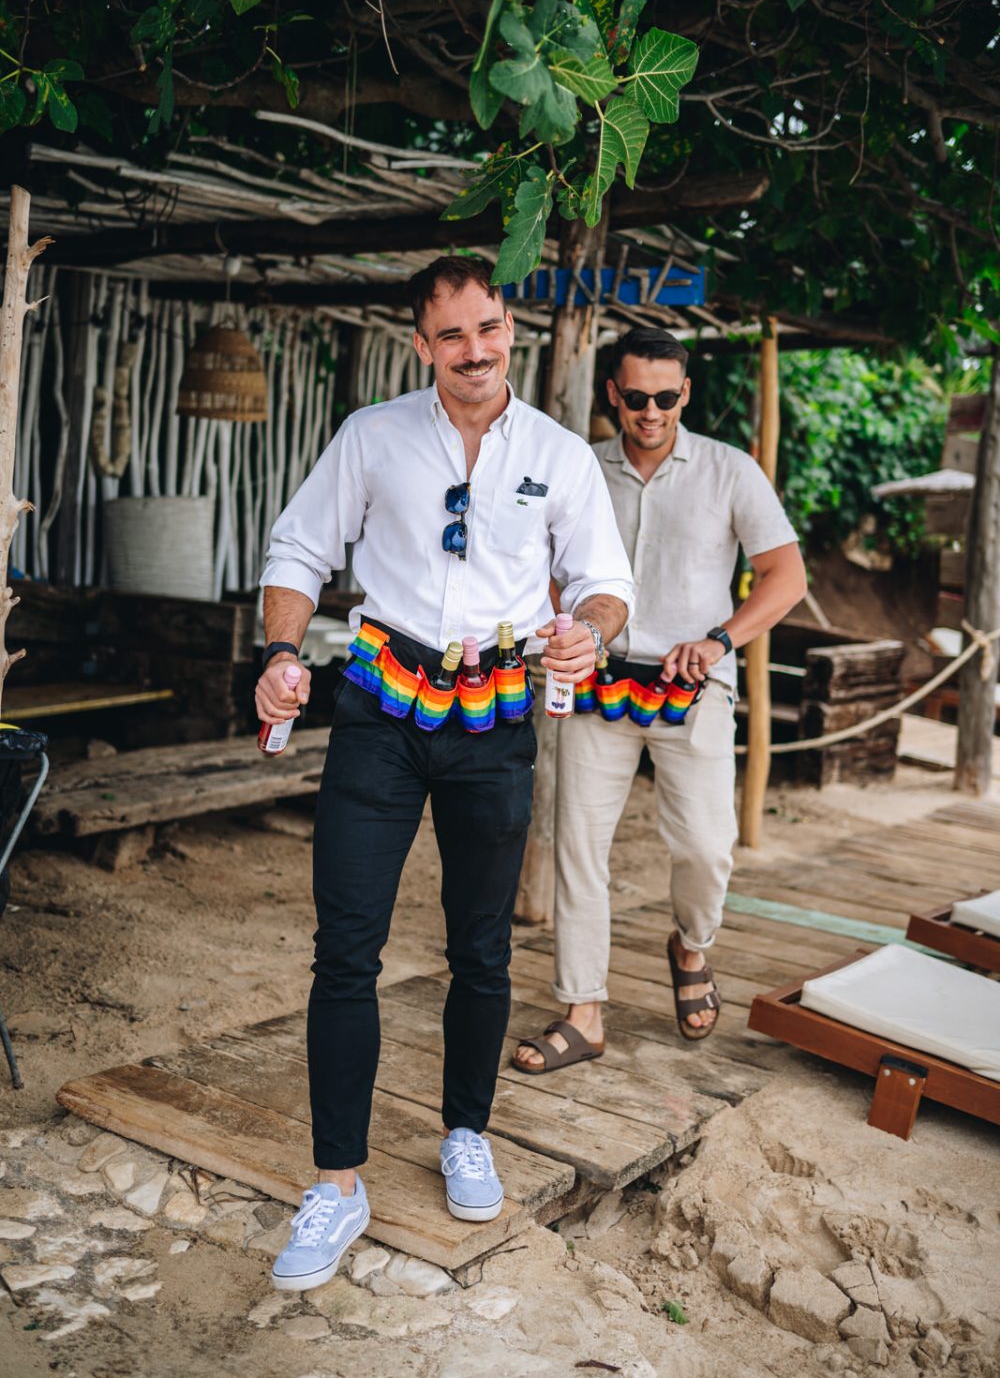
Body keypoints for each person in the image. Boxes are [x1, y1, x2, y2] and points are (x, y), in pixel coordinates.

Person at [255, 255, 633, 1291]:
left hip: (495, 715)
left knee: (481, 950)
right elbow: (296, 553)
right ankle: (336, 1185)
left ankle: (466, 1129)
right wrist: (282, 656)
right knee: (347, 949)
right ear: (421, 345)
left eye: (491, 327)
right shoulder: (371, 439)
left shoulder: (557, 455)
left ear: (509, 328)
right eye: (453, 334)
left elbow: (603, 584)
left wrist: (590, 635)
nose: (477, 351)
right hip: (380, 701)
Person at [513, 327, 806, 1074]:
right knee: (579, 843)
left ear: (686, 393)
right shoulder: (578, 468)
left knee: (707, 847)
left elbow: (785, 577)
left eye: (666, 398)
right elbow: (536, 556)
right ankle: (584, 1011)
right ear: (614, 393)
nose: (651, 412)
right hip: (598, 679)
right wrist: (564, 625)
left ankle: (691, 944)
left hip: (693, 683)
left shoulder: (730, 471)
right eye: (636, 397)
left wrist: (719, 640)